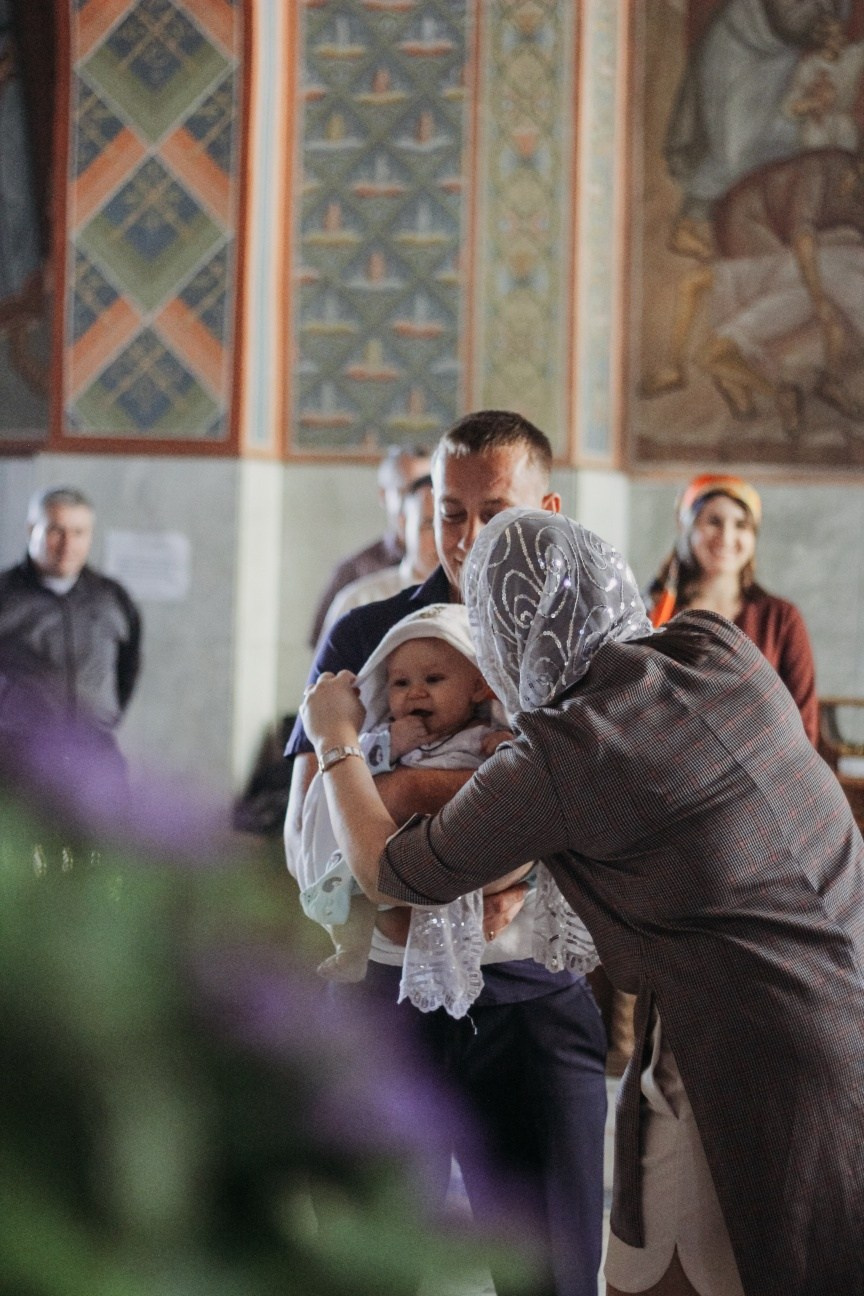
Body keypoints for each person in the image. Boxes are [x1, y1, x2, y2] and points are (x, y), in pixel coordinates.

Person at [301, 506, 864, 1296]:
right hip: (843, 995)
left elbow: (392, 872)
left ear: (498, 638)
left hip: (746, 1049)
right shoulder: (712, 644)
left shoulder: (568, 751)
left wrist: (336, 740)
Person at [286, 411, 608, 1296]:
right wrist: (455, 819)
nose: (467, 538)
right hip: (387, 1002)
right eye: (449, 513)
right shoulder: (366, 634)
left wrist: (519, 862)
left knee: (557, 1273)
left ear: (546, 509)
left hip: (534, 997)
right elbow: (307, 830)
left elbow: (610, 815)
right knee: (372, 1269)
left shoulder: (584, 645)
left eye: (493, 511)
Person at [291, 602, 584, 1017]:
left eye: (434, 679)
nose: (415, 692)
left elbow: (519, 782)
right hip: (390, 846)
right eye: (399, 683)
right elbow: (347, 769)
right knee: (360, 893)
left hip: (459, 853)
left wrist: (502, 743)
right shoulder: (386, 736)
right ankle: (350, 951)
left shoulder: (482, 736)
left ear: (480, 688)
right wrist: (390, 743)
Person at [645, 473, 818, 744]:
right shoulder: (654, 616)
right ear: (687, 529)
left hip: (764, 775)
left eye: (741, 525)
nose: (727, 536)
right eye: (714, 521)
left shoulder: (781, 619)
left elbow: (804, 725)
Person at [0, 487, 141, 737]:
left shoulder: (112, 597)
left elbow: (127, 666)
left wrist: (107, 718)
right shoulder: (5, 595)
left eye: (78, 533)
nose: (67, 544)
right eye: (56, 530)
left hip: (94, 753)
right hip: (19, 757)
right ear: (32, 530)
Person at [307, 444, 431, 647]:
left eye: (431, 487)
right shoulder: (355, 572)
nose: (421, 501)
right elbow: (325, 656)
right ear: (383, 495)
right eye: (409, 490)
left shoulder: (459, 571)